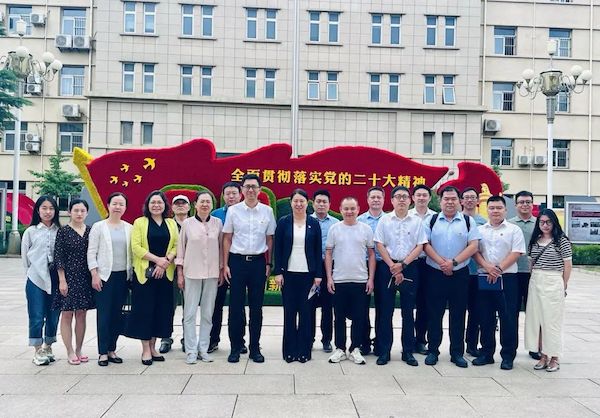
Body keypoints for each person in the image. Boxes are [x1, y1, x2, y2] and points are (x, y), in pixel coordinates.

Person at [423, 186, 481, 368]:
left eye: (453, 199)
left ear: (459, 201)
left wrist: (453, 263)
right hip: (435, 273)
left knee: (458, 314)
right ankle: (433, 350)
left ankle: (457, 352)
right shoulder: (431, 220)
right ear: (440, 202)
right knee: (434, 313)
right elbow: (425, 244)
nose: (449, 202)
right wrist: (442, 263)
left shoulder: (468, 221)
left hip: (460, 274)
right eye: (446, 199)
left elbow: (473, 245)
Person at [223, 174, 276, 363]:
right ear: (242, 190)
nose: (251, 190)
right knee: (235, 307)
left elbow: (270, 239)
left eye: (254, 186)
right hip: (237, 263)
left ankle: (255, 348)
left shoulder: (267, 211)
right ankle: (235, 347)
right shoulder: (233, 211)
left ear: (260, 190)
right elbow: (227, 238)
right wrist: (225, 264)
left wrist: (269, 264)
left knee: (256, 308)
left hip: (258, 264)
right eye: (247, 186)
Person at [374, 186, 427, 366]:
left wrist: (403, 265)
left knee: (408, 311)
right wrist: (392, 265)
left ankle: (408, 351)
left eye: (405, 196)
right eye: (398, 197)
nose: (402, 200)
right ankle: (384, 351)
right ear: (392, 200)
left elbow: (420, 245)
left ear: (410, 200)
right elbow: (379, 244)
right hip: (387, 268)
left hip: (410, 267)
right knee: (385, 311)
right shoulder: (384, 220)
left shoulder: (416, 221)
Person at [472, 195, 525, 370]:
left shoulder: (514, 230)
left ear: (505, 210)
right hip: (485, 277)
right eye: (492, 208)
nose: (495, 211)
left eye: (499, 208)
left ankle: (508, 356)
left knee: (508, 318)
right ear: (486, 210)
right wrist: (488, 267)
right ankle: (486, 353)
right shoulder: (480, 230)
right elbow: (475, 251)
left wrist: (498, 269)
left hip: (507, 278)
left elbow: (516, 252)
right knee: (485, 317)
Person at [127, 190, 179, 365]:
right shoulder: (140, 222)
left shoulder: (171, 223)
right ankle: (145, 350)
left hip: (165, 274)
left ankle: (153, 346)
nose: (156, 205)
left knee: (161, 311)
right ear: (147, 205)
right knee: (145, 311)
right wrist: (158, 261)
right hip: (145, 275)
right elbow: (136, 247)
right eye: (153, 202)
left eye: (159, 202)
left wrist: (165, 262)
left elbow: (177, 245)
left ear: (165, 205)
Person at [274, 189, 323, 363]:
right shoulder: (284, 222)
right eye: (295, 201)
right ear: (291, 202)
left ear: (307, 203)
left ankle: (304, 351)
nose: (299, 204)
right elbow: (278, 248)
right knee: (289, 313)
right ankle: (289, 351)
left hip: (308, 276)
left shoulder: (313, 223)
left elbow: (318, 249)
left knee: (306, 313)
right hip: (288, 275)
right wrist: (278, 272)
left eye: (302, 201)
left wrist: (318, 275)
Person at [325, 196, 375, 365]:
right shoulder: (334, 229)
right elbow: (328, 253)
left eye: (352, 208)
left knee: (359, 317)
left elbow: (371, 255)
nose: (349, 212)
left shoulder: (366, 229)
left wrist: (371, 278)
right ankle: (340, 348)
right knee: (338, 317)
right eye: (346, 208)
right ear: (340, 210)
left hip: (360, 280)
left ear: (358, 209)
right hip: (339, 280)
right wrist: (329, 277)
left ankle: (355, 349)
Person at [176, 191, 223, 364]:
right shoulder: (187, 224)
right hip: (191, 273)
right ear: (195, 204)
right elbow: (180, 249)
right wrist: (180, 273)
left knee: (207, 314)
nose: (205, 204)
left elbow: (221, 247)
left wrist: (221, 269)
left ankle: (203, 348)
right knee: (189, 314)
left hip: (212, 273)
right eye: (201, 201)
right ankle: (190, 350)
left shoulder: (218, 223)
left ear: (212, 205)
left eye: (208, 202)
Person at [88, 192, 132, 366]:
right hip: (104, 277)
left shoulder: (129, 228)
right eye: (115, 203)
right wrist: (94, 274)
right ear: (108, 205)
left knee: (117, 314)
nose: (117, 207)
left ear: (125, 207)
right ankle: (102, 352)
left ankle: (112, 349)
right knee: (104, 314)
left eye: (121, 204)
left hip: (123, 276)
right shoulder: (99, 227)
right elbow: (91, 252)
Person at [526, 209, 572, 373]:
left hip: (553, 281)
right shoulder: (535, 240)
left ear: (554, 223)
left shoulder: (562, 241)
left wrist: (563, 285)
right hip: (536, 281)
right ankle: (543, 355)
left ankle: (555, 357)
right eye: (542, 222)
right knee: (537, 320)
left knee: (552, 321)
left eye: (548, 222)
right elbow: (531, 263)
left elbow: (568, 265)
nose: (545, 225)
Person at [52, 199, 94, 365]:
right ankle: (69, 351)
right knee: (67, 313)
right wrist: (62, 280)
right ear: (69, 212)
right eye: (76, 210)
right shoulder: (63, 232)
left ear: (87, 213)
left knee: (82, 313)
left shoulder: (91, 231)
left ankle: (79, 349)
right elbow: (58, 257)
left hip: (85, 277)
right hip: (68, 278)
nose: (79, 213)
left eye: (82, 211)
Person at [21, 195, 61, 366]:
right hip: (35, 278)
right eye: (44, 208)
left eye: (51, 208)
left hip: (56, 279)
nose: (48, 212)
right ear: (38, 210)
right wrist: (32, 273)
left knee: (53, 316)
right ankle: (37, 350)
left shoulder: (60, 231)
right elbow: (25, 258)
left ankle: (48, 346)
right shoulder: (31, 231)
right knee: (37, 315)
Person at [208, 182, 247, 354]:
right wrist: (220, 265)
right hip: (218, 266)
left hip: (239, 264)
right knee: (215, 304)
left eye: (234, 193)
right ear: (223, 196)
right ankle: (212, 340)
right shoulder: (215, 215)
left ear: (240, 195)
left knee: (238, 305)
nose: (231, 196)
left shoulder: (247, 213)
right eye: (228, 193)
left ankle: (240, 341)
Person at [509, 190, 539, 360]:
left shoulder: (540, 224)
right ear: (516, 205)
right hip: (513, 273)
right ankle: (510, 348)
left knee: (533, 312)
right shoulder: (509, 224)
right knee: (511, 312)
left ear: (532, 204)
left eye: (528, 202)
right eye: (521, 202)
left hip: (533, 274)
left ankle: (534, 347)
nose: (525, 205)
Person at [160, 194, 190, 354]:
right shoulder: (167, 224)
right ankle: (166, 338)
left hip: (191, 271)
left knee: (189, 308)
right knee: (168, 306)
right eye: (177, 203)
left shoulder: (194, 224)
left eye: (183, 203)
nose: (180, 205)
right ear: (172, 207)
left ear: (189, 207)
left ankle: (187, 338)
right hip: (169, 271)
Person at [408, 184, 436, 355]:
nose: (421, 198)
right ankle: (408, 340)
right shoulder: (406, 216)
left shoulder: (435, 217)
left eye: (425, 195)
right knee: (408, 303)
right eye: (418, 195)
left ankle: (420, 340)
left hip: (428, 264)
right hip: (410, 262)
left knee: (424, 303)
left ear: (429, 198)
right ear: (413, 198)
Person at [357, 186, 385, 355]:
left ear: (384, 200)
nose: (375, 200)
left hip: (384, 265)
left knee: (383, 305)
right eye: (372, 197)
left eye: (378, 197)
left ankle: (380, 343)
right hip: (363, 266)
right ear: (367, 200)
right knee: (362, 306)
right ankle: (364, 342)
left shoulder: (389, 220)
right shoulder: (359, 220)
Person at [310, 189, 339, 353]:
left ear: (329, 204)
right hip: (310, 268)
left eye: (324, 202)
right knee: (309, 304)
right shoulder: (306, 220)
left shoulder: (336, 223)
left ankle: (327, 339)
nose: (321, 204)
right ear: (313, 203)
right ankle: (308, 338)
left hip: (329, 267)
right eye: (318, 201)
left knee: (328, 306)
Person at [461, 187, 487, 357]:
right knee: (458, 310)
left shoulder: (483, 222)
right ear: (461, 201)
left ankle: (471, 344)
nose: (469, 200)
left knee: (476, 310)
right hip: (460, 271)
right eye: (466, 197)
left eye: (473, 197)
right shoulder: (457, 219)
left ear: (477, 200)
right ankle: (457, 345)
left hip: (478, 273)